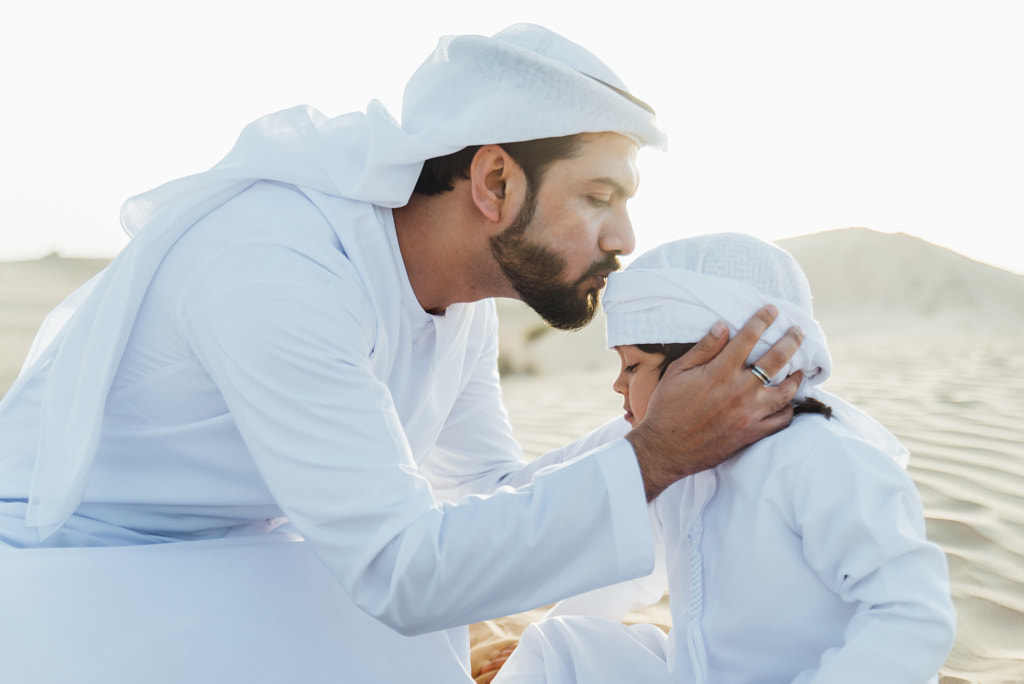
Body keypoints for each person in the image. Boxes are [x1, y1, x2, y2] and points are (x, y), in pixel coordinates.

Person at [0, 26, 803, 683]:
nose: (624, 239)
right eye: (598, 198)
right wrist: (661, 452)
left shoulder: (461, 304)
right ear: (494, 180)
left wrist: (665, 424)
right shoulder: (274, 264)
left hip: (255, 546)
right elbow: (399, 570)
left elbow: (486, 495)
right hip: (90, 563)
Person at [490, 234, 957, 684]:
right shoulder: (686, 462)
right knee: (559, 646)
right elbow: (628, 573)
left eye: (633, 365)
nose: (618, 384)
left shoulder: (819, 458)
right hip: (696, 673)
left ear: (708, 370)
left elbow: (914, 614)